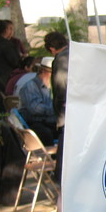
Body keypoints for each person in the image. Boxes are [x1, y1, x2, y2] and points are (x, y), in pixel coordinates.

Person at [44, 31, 69, 183]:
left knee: (65, 144)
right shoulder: (75, 53)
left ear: (52, 49)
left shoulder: (60, 60)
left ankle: (60, 179)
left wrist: (60, 107)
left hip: (66, 109)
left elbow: (61, 86)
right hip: (79, 105)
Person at [18, 56, 57, 145]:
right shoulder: (30, 86)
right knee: (46, 133)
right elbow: (35, 109)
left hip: (49, 121)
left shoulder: (52, 86)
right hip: (34, 123)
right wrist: (57, 108)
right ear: (43, 71)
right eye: (52, 72)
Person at [0, 19, 21, 114]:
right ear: (6, 30)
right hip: (7, 78)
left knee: (1, 105)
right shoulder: (5, 44)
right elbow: (15, 61)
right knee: (7, 106)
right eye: (10, 29)